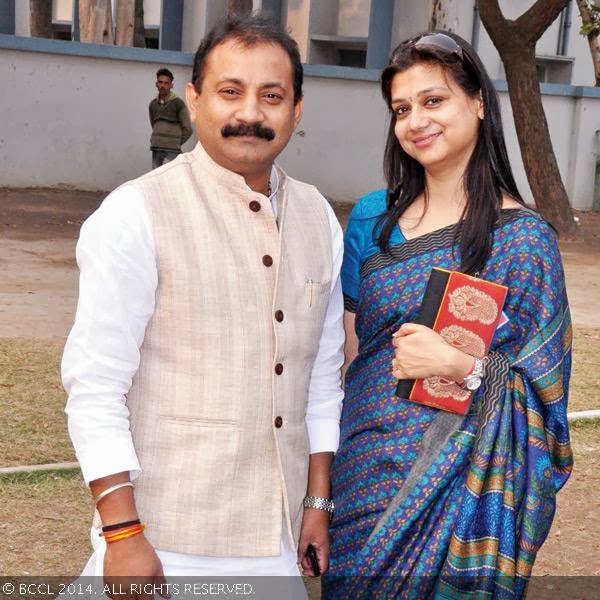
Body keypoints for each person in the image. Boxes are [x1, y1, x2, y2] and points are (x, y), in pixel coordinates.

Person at [62, 14, 344, 597]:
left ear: (297, 109)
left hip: (278, 538)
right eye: (229, 91)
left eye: (272, 96)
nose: (250, 113)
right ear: (194, 100)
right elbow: (96, 384)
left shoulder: (319, 217)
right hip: (169, 535)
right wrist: (123, 534)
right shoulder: (136, 213)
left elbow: (320, 375)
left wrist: (316, 499)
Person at [323, 32, 573, 599]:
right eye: (401, 109)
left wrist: (462, 365)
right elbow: (351, 354)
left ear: (478, 103)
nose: (416, 121)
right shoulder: (374, 223)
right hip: (361, 473)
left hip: (458, 487)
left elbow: (546, 400)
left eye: (433, 101)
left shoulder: (525, 241)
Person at [149, 67, 193, 169]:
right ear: (156, 84)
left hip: (172, 151)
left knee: (175, 177)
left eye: (166, 83)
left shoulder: (178, 104)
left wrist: (175, 142)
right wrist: (159, 139)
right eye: (160, 82)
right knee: (156, 178)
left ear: (171, 85)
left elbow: (188, 129)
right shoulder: (152, 104)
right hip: (156, 149)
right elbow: (154, 125)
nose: (163, 86)